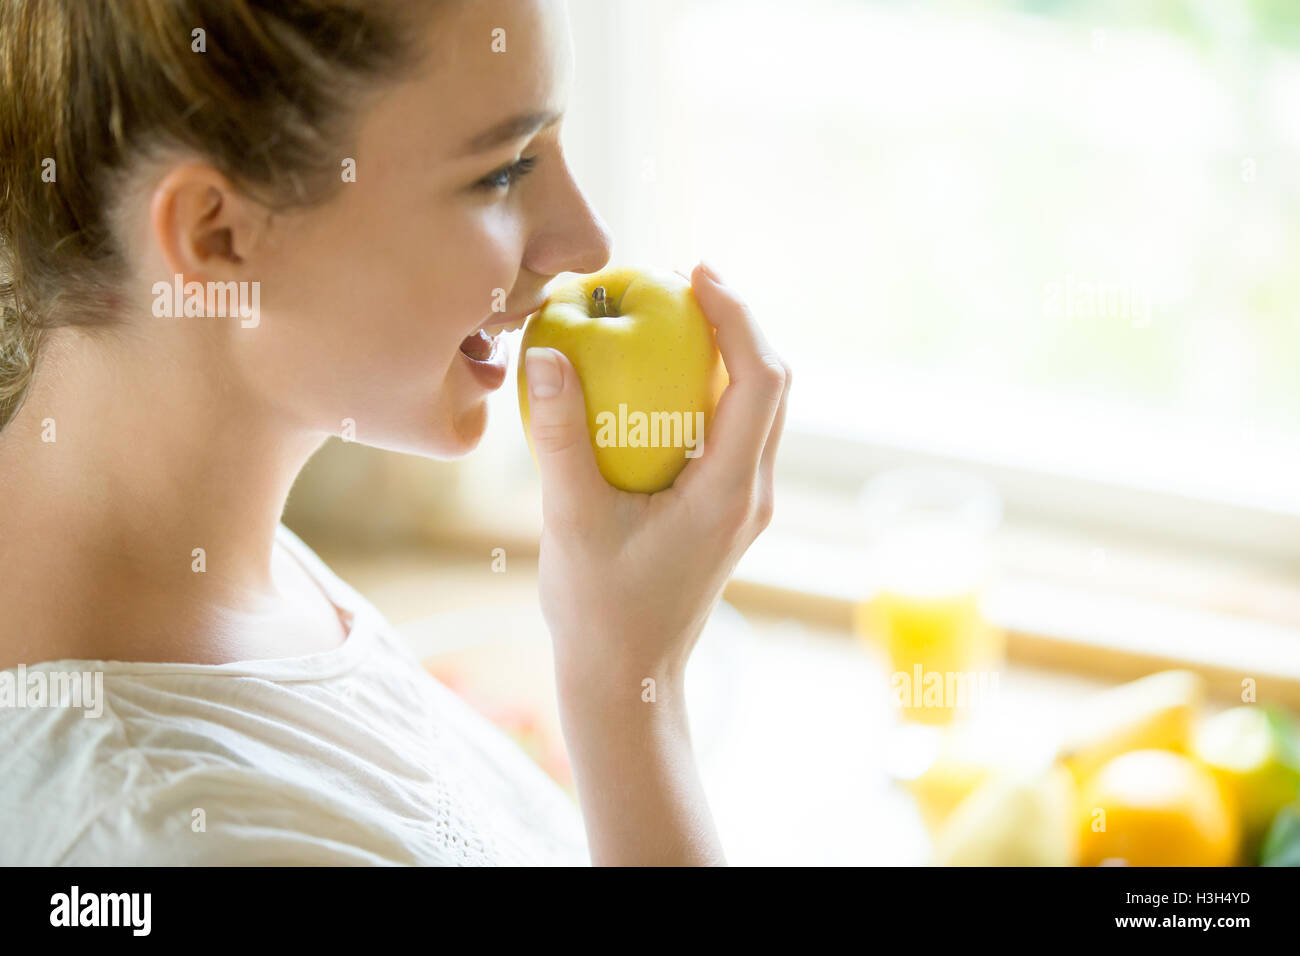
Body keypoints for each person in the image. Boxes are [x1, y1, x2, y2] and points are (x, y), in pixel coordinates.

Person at [0, 0, 790, 865]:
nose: (586, 246)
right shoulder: (162, 836)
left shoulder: (208, 552)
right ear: (215, 236)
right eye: (501, 171)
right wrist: (631, 691)